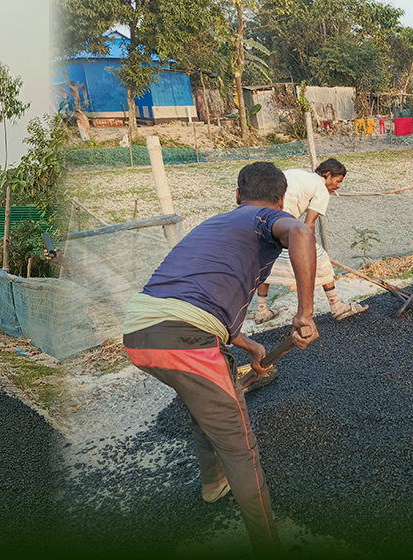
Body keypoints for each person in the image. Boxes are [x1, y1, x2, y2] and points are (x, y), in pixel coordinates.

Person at [119, 162, 320, 554]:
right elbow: (301, 231)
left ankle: (212, 485)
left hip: (140, 334)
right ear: (281, 200)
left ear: (237, 195)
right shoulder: (270, 217)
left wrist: (250, 347)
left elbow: (197, 301)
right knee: (240, 449)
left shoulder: (215, 224)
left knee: (205, 403)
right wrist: (305, 313)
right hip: (186, 339)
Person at [254, 158, 365, 322]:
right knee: (323, 262)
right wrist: (310, 249)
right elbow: (309, 224)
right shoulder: (321, 189)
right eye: (338, 181)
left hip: (262, 221)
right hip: (282, 224)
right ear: (328, 175)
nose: (339, 186)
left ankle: (261, 310)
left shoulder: (297, 173)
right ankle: (336, 307)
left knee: (267, 264)